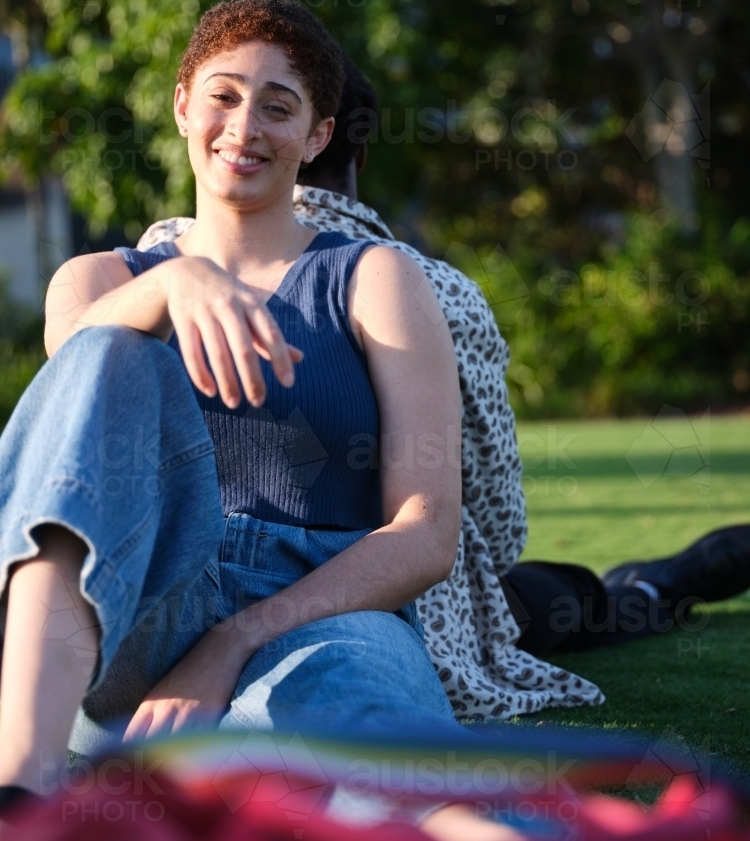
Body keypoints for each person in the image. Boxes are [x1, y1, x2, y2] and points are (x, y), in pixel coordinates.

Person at [143, 55, 750, 703]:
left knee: (536, 597)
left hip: (241, 591)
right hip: (398, 601)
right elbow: (491, 508)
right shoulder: (435, 287)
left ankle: (643, 586)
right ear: (357, 153)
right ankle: (648, 589)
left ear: (315, 133)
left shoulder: (154, 262)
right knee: (546, 598)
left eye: (273, 104)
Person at [0, 0, 472, 815]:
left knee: (384, 780)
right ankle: (22, 792)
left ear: (317, 135)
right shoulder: (98, 280)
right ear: (183, 104)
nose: (244, 125)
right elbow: (65, 440)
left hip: (323, 611)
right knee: (106, 349)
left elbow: (426, 529)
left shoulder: (377, 277)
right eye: (222, 94)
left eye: (278, 107)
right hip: (134, 608)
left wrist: (234, 640)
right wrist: (171, 281)